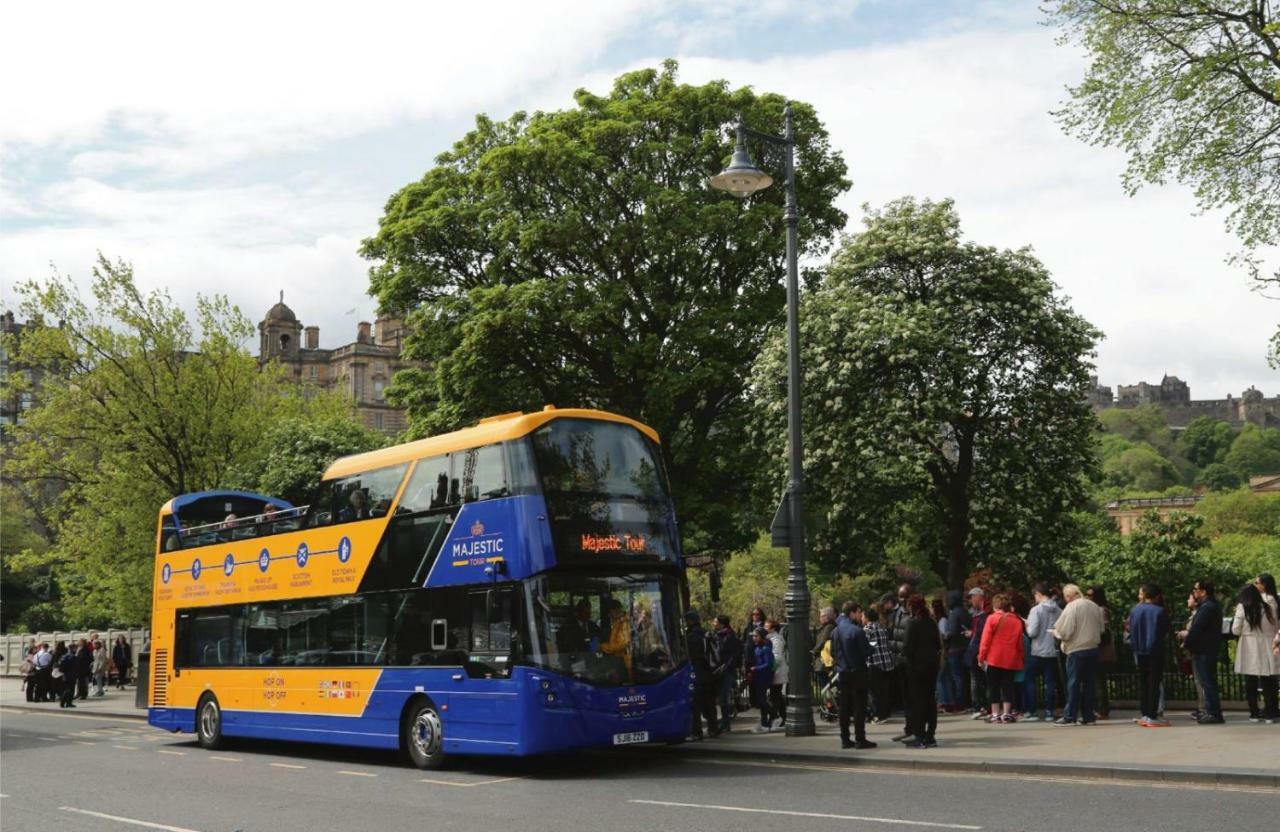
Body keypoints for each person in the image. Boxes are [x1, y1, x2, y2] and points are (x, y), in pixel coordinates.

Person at [1051, 584, 1104, 725]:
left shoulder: (1072, 607)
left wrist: (1057, 634)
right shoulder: (1094, 606)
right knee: (1089, 684)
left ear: (1068, 596)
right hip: (1092, 648)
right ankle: (1089, 715)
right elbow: (1102, 628)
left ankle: (1070, 715)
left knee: (1073, 684)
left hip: (1076, 650)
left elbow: (1065, 631)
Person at [1179, 578, 1224, 724]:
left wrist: (1187, 642)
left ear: (1203, 592)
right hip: (1206, 648)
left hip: (1204, 649)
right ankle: (1211, 711)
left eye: (1196, 590)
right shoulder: (1209, 606)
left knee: (1207, 682)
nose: (1194, 593)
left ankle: (1213, 712)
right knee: (1207, 681)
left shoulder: (1207, 607)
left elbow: (1197, 628)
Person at [831, 601, 876, 749]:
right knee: (859, 707)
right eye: (859, 612)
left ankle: (845, 738)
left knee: (844, 707)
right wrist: (871, 648)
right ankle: (860, 739)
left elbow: (832, 652)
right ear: (853, 612)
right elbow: (866, 651)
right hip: (858, 672)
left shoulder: (835, 631)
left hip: (842, 672)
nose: (860, 615)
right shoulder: (856, 631)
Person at [1233, 583, 1280, 723]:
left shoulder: (1242, 607)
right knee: (1268, 680)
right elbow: (1276, 626)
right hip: (1266, 644)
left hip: (1249, 646)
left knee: (1250, 681)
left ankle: (1254, 713)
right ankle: (1270, 713)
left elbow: (1235, 629)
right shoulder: (1268, 607)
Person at [1128, 582, 1171, 727]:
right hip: (1155, 650)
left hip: (1139, 649)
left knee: (1144, 682)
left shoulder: (1136, 610)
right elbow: (1164, 630)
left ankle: (1145, 713)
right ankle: (1152, 714)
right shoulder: (1159, 611)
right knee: (1154, 683)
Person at [978, 593, 1025, 723]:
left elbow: (985, 641)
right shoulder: (1017, 621)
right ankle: (1006, 713)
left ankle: (995, 714)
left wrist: (981, 657)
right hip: (1010, 658)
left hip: (994, 657)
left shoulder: (992, 619)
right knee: (1008, 686)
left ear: (995, 605)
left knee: (993, 686)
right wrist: (1021, 656)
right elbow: (1019, 642)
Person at [902, 594, 942, 747]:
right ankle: (930, 735)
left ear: (912, 607)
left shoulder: (912, 624)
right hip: (932, 667)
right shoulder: (931, 623)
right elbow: (938, 645)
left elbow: (906, 648)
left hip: (916, 669)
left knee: (918, 702)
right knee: (930, 701)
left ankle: (919, 735)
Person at [1023, 582, 1061, 722]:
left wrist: (1027, 625)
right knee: (1050, 682)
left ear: (1038, 594)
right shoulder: (1057, 609)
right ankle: (1049, 711)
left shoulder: (1036, 610)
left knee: (1030, 680)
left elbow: (1032, 632)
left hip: (1038, 650)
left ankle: (1032, 711)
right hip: (1052, 650)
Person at [684, 610, 719, 739]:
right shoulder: (706, 633)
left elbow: (691, 656)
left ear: (690, 621)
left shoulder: (690, 636)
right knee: (709, 702)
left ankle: (696, 732)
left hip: (697, 672)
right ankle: (713, 728)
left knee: (696, 703)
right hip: (709, 672)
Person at [862, 607, 896, 723]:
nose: (862, 618)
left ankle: (878, 715)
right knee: (884, 690)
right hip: (886, 663)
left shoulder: (868, 629)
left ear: (867, 618)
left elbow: (866, 647)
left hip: (874, 663)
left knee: (874, 692)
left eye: (863, 616)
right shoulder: (882, 628)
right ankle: (885, 713)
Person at [1085, 586, 1114, 720]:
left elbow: (1103, 629)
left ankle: (1102, 709)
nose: (1088, 597)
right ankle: (1100, 708)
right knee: (1097, 679)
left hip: (1101, 650)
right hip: (1098, 648)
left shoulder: (1101, 610)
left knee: (1099, 681)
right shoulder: (1096, 609)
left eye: (1091, 595)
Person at [710, 615, 741, 733]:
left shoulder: (729, 636)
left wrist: (725, 667)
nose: (713, 623)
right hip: (718, 670)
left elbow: (733, 655)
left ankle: (725, 723)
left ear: (721, 624)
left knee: (723, 698)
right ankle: (723, 722)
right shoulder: (717, 635)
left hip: (725, 671)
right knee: (720, 698)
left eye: (715, 621)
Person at [964, 588, 991, 719]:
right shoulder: (977, 613)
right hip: (977, 649)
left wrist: (972, 634)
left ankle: (981, 706)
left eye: (972, 597)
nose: (970, 600)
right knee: (979, 679)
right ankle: (982, 705)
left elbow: (981, 633)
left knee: (978, 680)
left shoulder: (983, 614)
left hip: (979, 650)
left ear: (978, 597)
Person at [943, 590, 972, 712]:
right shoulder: (965, 612)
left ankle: (959, 703)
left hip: (955, 648)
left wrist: (944, 635)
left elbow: (952, 632)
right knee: (965, 676)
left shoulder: (954, 614)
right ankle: (967, 701)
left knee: (957, 677)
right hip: (965, 646)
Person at [747, 629, 775, 732]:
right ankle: (764, 722)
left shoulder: (766, 649)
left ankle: (774, 715)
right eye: (753, 636)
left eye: (756, 636)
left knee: (761, 700)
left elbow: (769, 664)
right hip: (757, 676)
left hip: (764, 676)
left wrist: (756, 668)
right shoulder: (756, 648)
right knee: (760, 700)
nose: (754, 638)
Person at [764, 617, 788, 728]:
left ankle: (776, 717)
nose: (764, 628)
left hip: (777, 671)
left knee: (775, 696)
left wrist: (772, 670)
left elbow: (777, 657)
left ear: (772, 628)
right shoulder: (769, 638)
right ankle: (783, 716)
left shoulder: (776, 640)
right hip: (775, 671)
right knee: (776, 696)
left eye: (767, 626)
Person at [812, 606, 837, 691]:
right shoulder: (827, 627)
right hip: (824, 662)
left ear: (827, 617)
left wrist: (814, 651)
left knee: (827, 688)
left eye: (822, 616)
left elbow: (822, 641)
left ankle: (831, 703)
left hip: (824, 663)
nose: (820, 618)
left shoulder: (829, 627)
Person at [55, 641, 78, 708]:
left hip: (64, 674)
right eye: (75, 648)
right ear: (73, 648)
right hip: (71, 675)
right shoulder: (72, 656)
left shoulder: (64, 655)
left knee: (66, 689)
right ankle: (67, 703)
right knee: (70, 690)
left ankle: (64, 702)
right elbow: (75, 666)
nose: (76, 649)